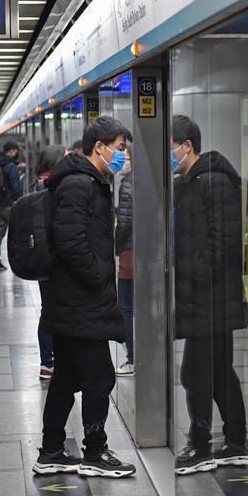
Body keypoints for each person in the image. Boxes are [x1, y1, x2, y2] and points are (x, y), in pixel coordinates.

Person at [33, 117, 136, 479]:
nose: (122, 156)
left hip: (73, 301)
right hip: (80, 301)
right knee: (99, 378)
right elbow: (71, 243)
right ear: (100, 147)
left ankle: (51, 451)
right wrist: (98, 279)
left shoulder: (87, 181)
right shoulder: (79, 184)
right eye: (120, 148)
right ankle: (94, 451)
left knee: (65, 380)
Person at [170, 115, 248, 476]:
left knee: (197, 373)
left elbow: (224, 243)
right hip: (202, 298)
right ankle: (236, 443)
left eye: (170, 148)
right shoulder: (188, 182)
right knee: (218, 372)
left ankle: (201, 446)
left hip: (212, 298)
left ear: (187, 145)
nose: (168, 156)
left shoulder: (214, 182)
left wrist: (195, 276)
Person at [32, 144, 68, 380]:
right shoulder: (56, 186)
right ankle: (57, 361)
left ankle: (47, 362)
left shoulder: (36, 184)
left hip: (41, 258)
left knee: (47, 309)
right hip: (58, 259)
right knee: (60, 310)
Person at [115, 146, 134, 376]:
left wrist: (117, 246)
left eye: (126, 157)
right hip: (149, 254)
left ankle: (132, 359)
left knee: (126, 308)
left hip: (130, 253)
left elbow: (124, 223)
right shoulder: (150, 180)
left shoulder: (128, 184)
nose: (122, 161)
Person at [0, 141, 24, 271]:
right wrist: (20, 200)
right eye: (16, 151)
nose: (17, 153)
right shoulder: (10, 166)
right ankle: (19, 258)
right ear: (11, 151)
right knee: (17, 233)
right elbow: (16, 187)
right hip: (10, 205)